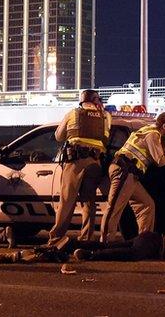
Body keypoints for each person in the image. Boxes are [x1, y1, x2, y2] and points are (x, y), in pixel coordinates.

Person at [99, 112, 165, 242]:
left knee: (147, 204)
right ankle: (105, 243)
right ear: (164, 126)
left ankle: (144, 242)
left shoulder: (149, 130)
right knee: (114, 208)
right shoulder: (153, 135)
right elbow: (160, 161)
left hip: (131, 174)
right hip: (124, 171)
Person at [47, 89, 111, 245]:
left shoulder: (74, 113)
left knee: (67, 201)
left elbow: (59, 136)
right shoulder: (106, 116)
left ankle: (56, 238)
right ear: (97, 100)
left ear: (82, 101)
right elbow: (106, 139)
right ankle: (86, 238)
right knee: (89, 201)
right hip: (95, 162)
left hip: (75, 161)